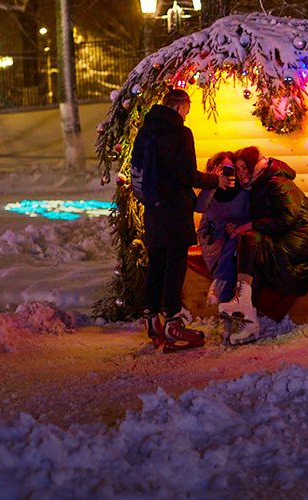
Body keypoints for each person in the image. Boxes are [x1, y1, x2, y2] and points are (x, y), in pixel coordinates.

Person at [131, 88, 233, 352]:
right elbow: (187, 175)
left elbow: (138, 170)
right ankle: (173, 325)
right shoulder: (180, 133)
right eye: (187, 111)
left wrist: (150, 200)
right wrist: (216, 180)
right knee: (175, 266)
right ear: (180, 108)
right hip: (175, 210)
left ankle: (152, 318)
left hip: (153, 209)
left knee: (156, 263)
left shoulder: (146, 131)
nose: (187, 116)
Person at [218, 146, 308, 344]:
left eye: (244, 168)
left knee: (250, 239)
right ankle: (245, 314)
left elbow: (286, 219)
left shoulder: (277, 182)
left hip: (300, 237)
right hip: (284, 235)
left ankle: (244, 311)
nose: (240, 174)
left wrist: (249, 226)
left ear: (253, 166)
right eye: (237, 169)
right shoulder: (258, 185)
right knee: (249, 246)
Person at [196, 152, 251, 307]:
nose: (228, 173)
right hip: (215, 239)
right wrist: (214, 183)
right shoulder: (209, 192)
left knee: (234, 258)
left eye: (231, 169)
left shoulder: (243, 191)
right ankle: (225, 315)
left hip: (237, 238)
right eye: (223, 168)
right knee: (226, 260)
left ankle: (219, 288)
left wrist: (237, 225)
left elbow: (252, 217)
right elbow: (200, 209)